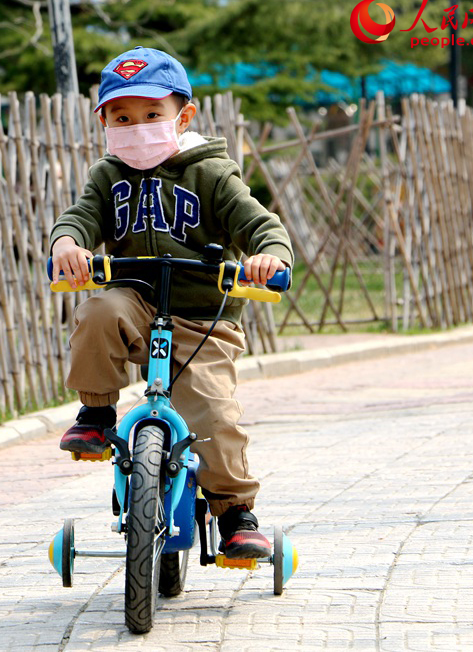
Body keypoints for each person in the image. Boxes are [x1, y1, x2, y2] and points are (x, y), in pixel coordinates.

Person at [49, 47, 294, 560]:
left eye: (152, 115)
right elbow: (80, 218)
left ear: (183, 116)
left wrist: (268, 257)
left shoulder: (212, 175)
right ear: (104, 121)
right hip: (137, 302)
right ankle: (96, 415)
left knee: (212, 415)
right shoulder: (108, 176)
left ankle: (235, 516)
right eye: (122, 117)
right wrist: (67, 245)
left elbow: (260, 224)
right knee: (98, 310)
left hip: (204, 318)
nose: (136, 126)